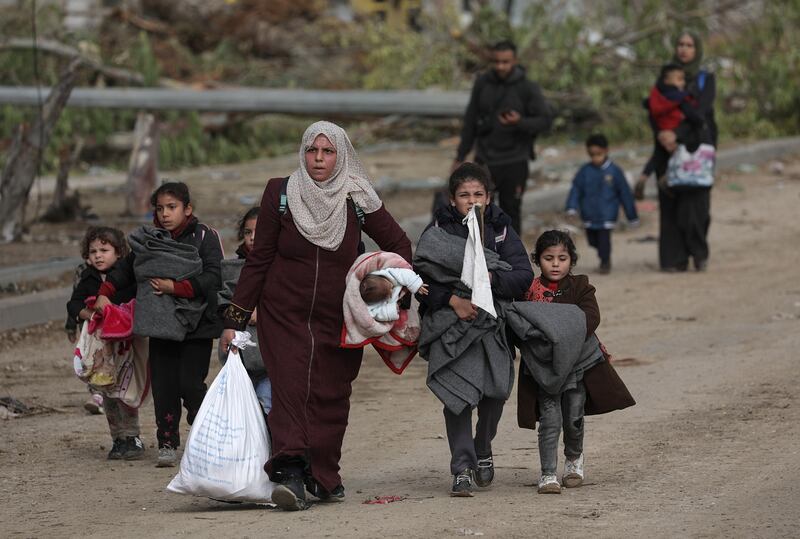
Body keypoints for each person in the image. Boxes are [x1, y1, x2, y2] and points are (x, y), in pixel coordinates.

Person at [219, 121, 412, 511]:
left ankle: (323, 475)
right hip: (283, 312)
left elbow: (399, 244)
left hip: (338, 315)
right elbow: (259, 259)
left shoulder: (357, 195)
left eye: (327, 152)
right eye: (312, 151)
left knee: (330, 395)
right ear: (302, 152)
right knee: (289, 388)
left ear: (342, 156)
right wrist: (234, 319)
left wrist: (380, 290)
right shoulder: (281, 192)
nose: (319, 159)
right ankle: (289, 471)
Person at [414, 162, 533, 497]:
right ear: (453, 200)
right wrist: (454, 300)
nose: (471, 200)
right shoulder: (438, 232)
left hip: (491, 324)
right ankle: (462, 467)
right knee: (457, 399)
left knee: (495, 394)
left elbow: (522, 276)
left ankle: (483, 446)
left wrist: (486, 278)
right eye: (464, 195)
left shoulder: (501, 229)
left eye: (477, 194)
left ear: (488, 196)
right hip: (451, 326)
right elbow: (420, 281)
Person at [94, 182, 224, 468]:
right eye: (160, 208)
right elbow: (126, 270)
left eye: (172, 207)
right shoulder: (149, 240)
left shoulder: (204, 237)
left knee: (190, 384)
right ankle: (167, 442)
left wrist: (176, 287)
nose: (165, 214)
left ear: (188, 209)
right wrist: (105, 295)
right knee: (164, 386)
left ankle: (207, 435)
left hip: (196, 325)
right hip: (160, 324)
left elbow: (214, 277)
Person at [519, 230, 634, 493]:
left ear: (572, 260)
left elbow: (590, 318)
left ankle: (573, 459)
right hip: (544, 369)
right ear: (538, 260)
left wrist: (559, 332)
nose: (556, 264)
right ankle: (548, 473)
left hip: (577, 366)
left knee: (573, 415)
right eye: (549, 258)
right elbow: (521, 325)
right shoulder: (530, 293)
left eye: (562, 258)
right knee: (550, 419)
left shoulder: (581, 286)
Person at [636, 31, 716, 272]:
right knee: (670, 204)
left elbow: (701, 113)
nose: (684, 49)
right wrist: (662, 134)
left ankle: (698, 253)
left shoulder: (704, 78)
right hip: (665, 148)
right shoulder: (665, 77)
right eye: (680, 44)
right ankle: (674, 259)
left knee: (695, 204)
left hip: (695, 146)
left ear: (697, 49)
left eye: (689, 45)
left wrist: (676, 134)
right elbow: (654, 107)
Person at [452, 40, 552, 234]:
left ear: (514, 60)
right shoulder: (483, 83)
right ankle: (484, 259)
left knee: (511, 212)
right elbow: (471, 121)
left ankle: (513, 260)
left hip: (515, 160)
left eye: (505, 62)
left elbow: (545, 121)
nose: (501, 67)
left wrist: (520, 122)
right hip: (486, 159)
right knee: (479, 212)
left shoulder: (527, 88)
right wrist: (460, 156)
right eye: (497, 62)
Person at [66, 226, 144, 459]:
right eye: (93, 251)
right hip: (100, 350)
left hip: (124, 346)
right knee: (107, 392)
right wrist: (88, 314)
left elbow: (133, 300)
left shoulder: (126, 277)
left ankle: (133, 437)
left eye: (104, 250)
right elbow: (74, 304)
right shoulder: (88, 277)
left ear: (119, 253)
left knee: (125, 391)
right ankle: (117, 438)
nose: (98, 255)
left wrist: (113, 309)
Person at [217, 206, 272, 418]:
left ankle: (267, 448)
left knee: (266, 406)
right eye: (248, 232)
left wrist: (264, 313)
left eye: (260, 232)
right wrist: (240, 315)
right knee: (243, 410)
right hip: (241, 359)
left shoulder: (282, 266)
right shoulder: (234, 268)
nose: (253, 238)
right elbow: (223, 301)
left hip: (272, 360)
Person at [565, 134, 639, 273]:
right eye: (592, 154)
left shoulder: (615, 171)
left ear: (606, 151)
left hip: (607, 214)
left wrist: (632, 216)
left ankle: (605, 262)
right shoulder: (584, 171)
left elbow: (625, 194)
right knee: (592, 241)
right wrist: (571, 208)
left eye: (598, 154)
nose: (595, 158)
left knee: (604, 240)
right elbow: (575, 189)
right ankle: (602, 254)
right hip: (588, 213)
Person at [360, 267, 428, 322]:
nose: (392, 291)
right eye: (389, 294)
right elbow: (375, 313)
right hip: (396, 305)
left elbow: (403, 273)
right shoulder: (371, 304)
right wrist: (391, 309)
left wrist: (416, 284)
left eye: (390, 286)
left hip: (403, 291)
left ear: (384, 277)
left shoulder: (389, 273)